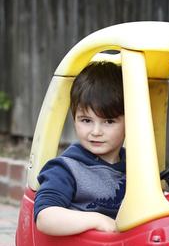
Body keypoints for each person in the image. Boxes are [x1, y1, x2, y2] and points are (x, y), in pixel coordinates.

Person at [34, 61, 126, 236]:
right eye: (86, 120)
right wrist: (97, 220)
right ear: (74, 118)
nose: (96, 132)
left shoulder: (134, 168)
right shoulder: (66, 169)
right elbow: (45, 218)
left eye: (108, 121)